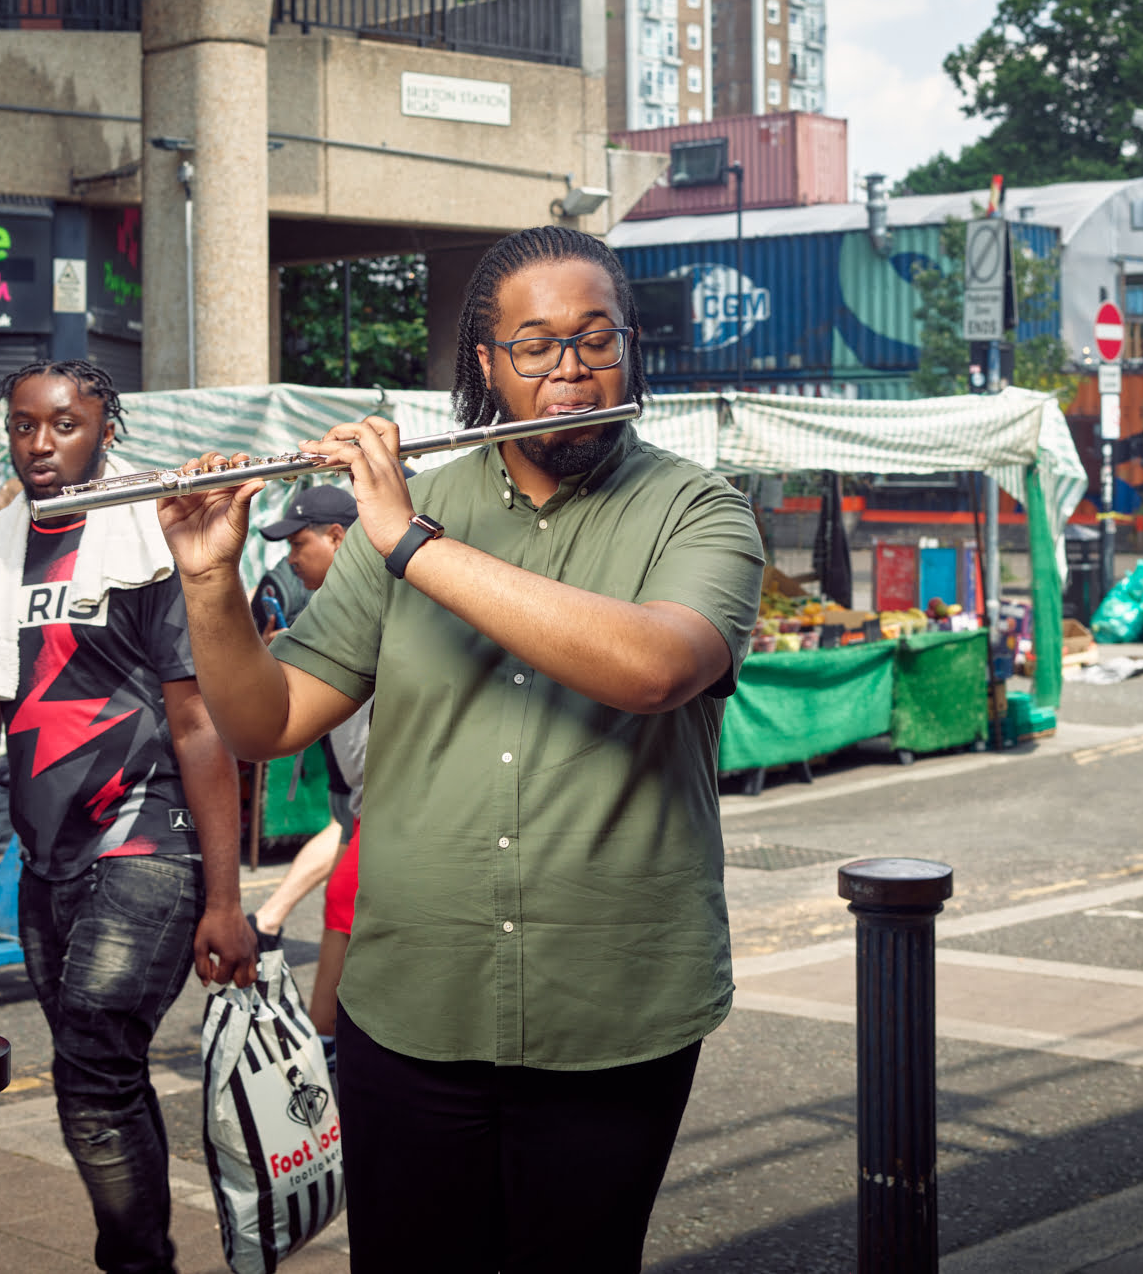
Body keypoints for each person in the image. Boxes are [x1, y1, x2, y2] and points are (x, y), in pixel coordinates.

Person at [157, 226, 764, 1274]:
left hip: (612, 1012)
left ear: (630, 352)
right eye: (533, 347)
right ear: (483, 365)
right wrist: (209, 582)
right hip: (409, 1009)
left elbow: (655, 669)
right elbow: (265, 722)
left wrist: (408, 546)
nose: (568, 370)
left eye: (594, 340)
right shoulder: (423, 501)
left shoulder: (695, 509)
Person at [0, 358, 256, 1274]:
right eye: (24, 426)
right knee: (103, 1071)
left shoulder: (152, 534)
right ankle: (148, 1252)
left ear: (106, 429)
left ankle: (137, 1265)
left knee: (90, 1068)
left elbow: (198, 724)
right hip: (48, 862)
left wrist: (226, 899)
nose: (41, 443)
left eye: (64, 425)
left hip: (148, 839)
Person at [248, 485, 362, 942]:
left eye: (298, 544)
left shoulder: (365, 601)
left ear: (336, 537)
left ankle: (269, 920)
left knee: (344, 909)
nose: (290, 560)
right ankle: (270, 918)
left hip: (383, 796)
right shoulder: (325, 604)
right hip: (350, 783)